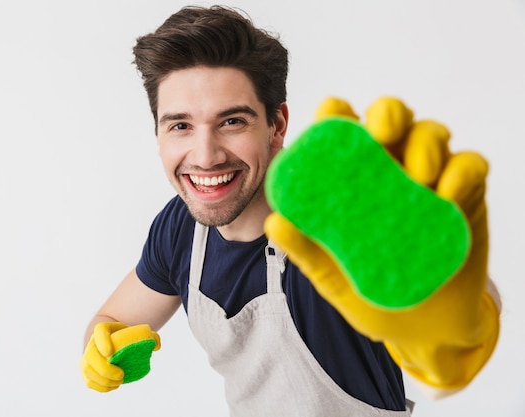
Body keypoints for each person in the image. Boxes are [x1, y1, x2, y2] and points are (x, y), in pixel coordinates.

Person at [80, 5, 501, 416]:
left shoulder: (333, 215)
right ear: (158, 134)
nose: (205, 157)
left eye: (232, 122)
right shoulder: (179, 228)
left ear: (277, 125)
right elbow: (114, 316)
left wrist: (455, 316)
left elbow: (470, 303)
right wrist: (102, 346)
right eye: (181, 126)